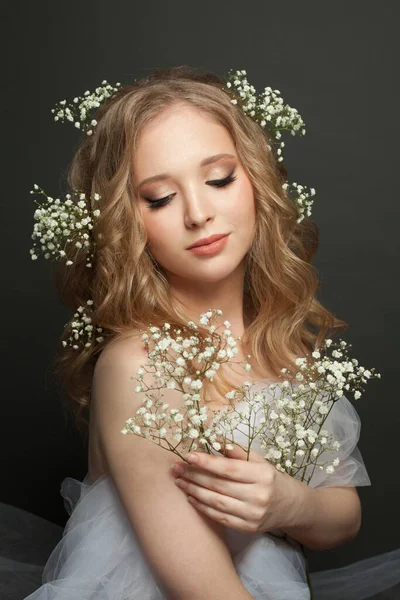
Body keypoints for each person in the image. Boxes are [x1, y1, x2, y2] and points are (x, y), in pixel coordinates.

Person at [2, 65, 400, 599]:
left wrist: (288, 502)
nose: (199, 213)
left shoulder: (277, 341)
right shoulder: (139, 365)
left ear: (256, 180)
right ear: (126, 222)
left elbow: (343, 517)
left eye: (219, 179)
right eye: (159, 198)